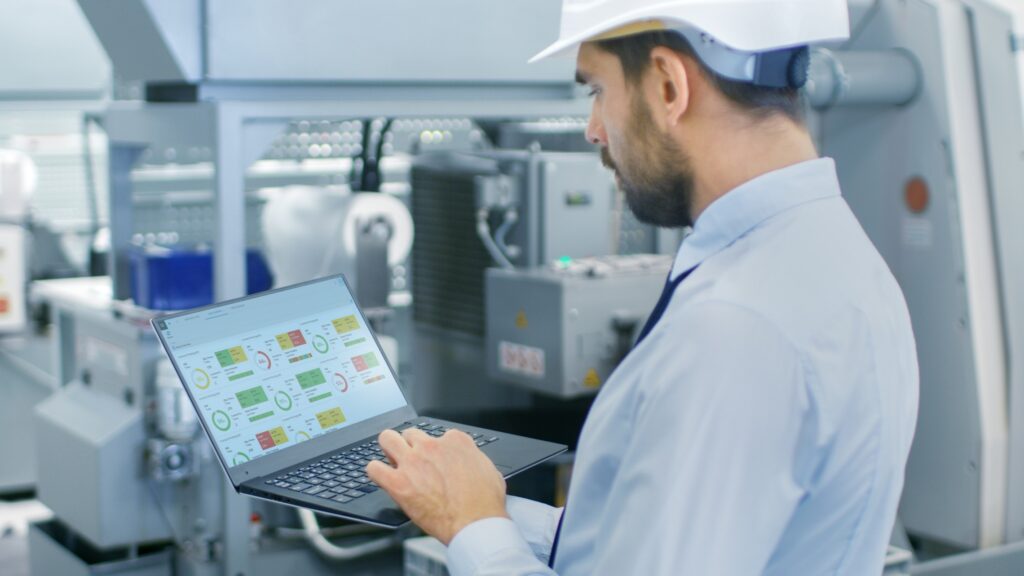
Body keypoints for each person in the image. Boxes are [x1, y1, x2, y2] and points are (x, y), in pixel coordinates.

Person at [366, 0, 920, 574]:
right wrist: (478, 507)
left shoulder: (735, 328)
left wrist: (475, 531)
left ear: (667, 85)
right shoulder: (835, 255)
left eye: (598, 91)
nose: (593, 130)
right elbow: (651, 539)